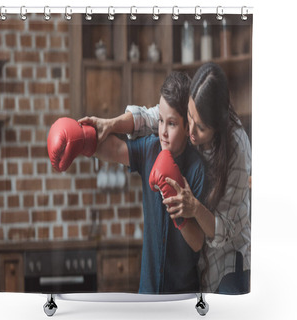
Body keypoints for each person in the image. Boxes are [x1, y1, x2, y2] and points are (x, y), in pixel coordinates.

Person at [79, 62, 251, 294]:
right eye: (190, 118)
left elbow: (216, 232)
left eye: (198, 127)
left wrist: (191, 210)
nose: (191, 132)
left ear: (216, 127)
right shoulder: (152, 148)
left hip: (228, 260)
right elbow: (150, 120)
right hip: (156, 286)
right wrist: (83, 137)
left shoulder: (228, 153)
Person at [89, 71, 206, 294]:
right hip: (147, 293)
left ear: (187, 126)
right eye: (160, 121)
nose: (162, 131)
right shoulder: (150, 148)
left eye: (171, 124)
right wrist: (80, 139)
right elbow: (114, 149)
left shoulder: (197, 168)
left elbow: (198, 242)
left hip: (182, 297)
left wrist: (178, 211)